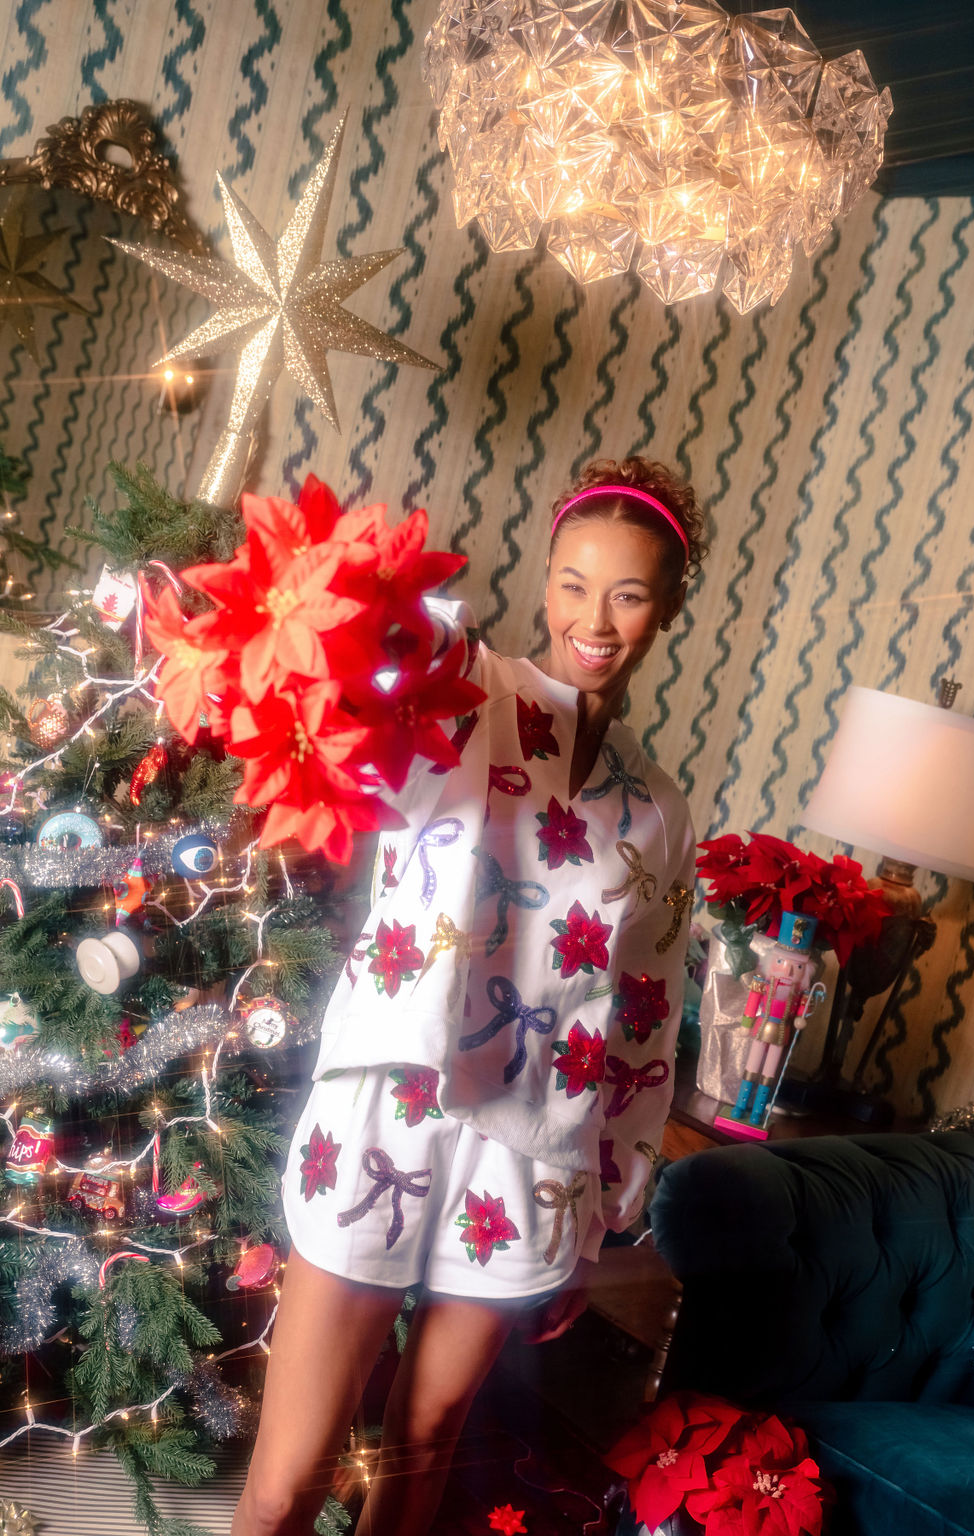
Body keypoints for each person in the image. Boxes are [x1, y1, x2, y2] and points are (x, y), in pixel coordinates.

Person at [232, 455, 708, 1536]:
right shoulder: (464, 690)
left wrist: (600, 1205)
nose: (594, 617)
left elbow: (646, 1005)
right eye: (573, 582)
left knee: (429, 1447)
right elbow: (362, 659)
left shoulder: (659, 810)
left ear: (667, 608)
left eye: (628, 593)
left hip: (532, 1152)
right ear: (544, 582)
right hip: (394, 1104)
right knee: (287, 1475)